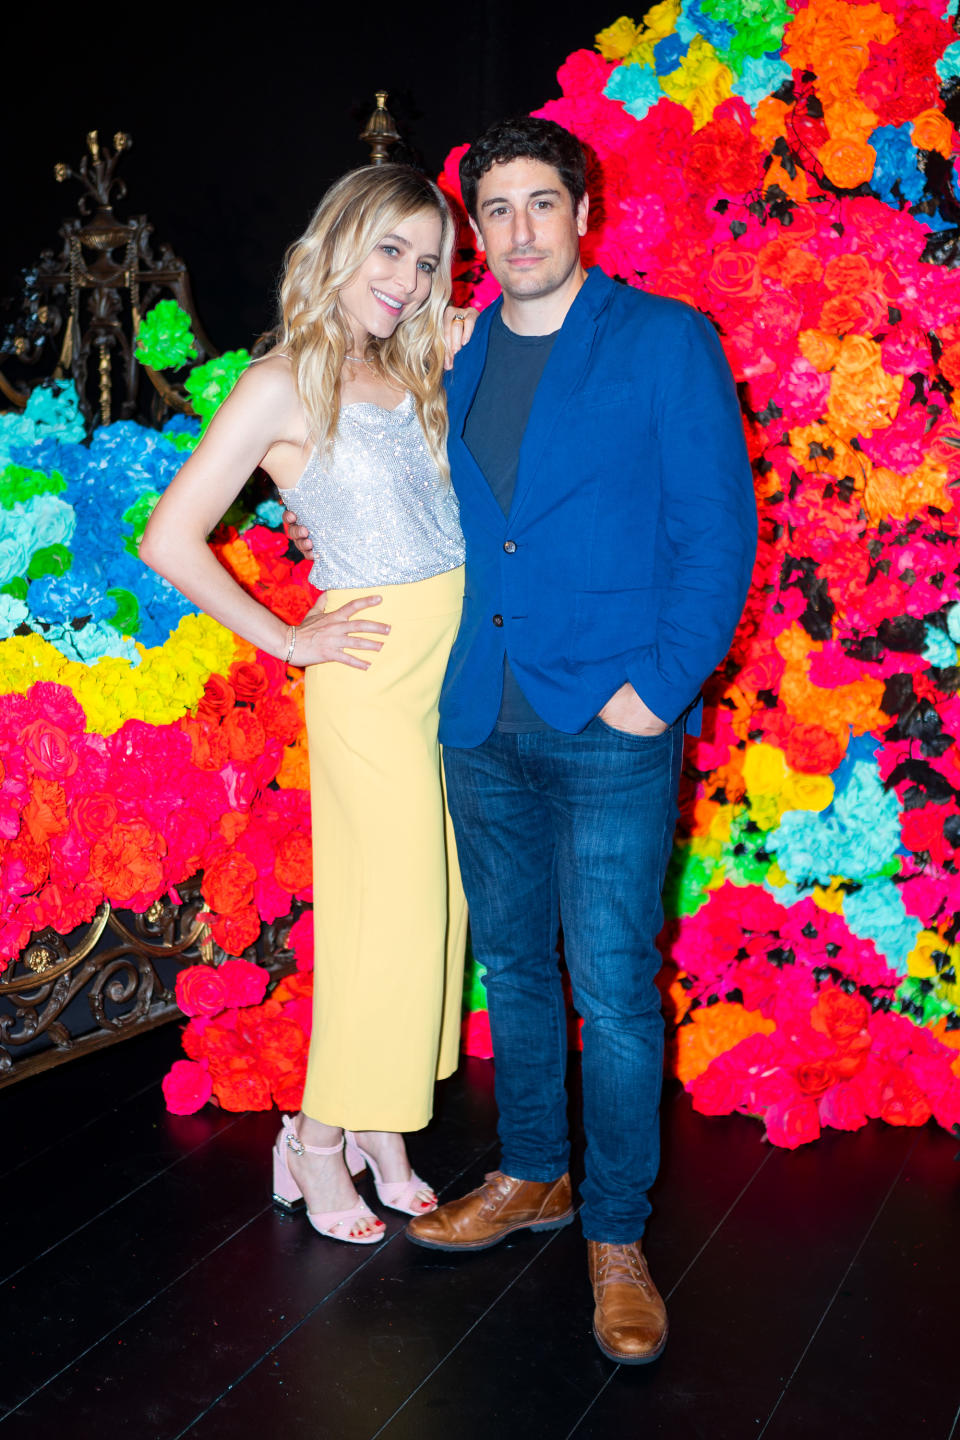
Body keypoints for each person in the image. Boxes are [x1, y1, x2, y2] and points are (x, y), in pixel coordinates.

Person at [287, 115, 757, 1361]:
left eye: (541, 204)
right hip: (473, 715)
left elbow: (718, 541)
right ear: (475, 236)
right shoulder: (455, 350)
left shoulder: (665, 342)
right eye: (495, 212)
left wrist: (655, 691)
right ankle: (534, 1175)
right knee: (513, 969)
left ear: (582, 213)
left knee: (611, 983)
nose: (519, 230)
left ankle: (615, 1232)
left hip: (614, 720)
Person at [141, 164, 476, 1245]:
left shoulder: (418, 364)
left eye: (427, 262)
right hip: (370, 677)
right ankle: (317, 1138)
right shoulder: (279, 383)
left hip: (452, 669)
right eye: (390, 250)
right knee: (393, 922)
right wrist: (288, 637)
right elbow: (169, 537)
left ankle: (383, 1129)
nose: (409, 278)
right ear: (337, 243)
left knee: (440, 914)